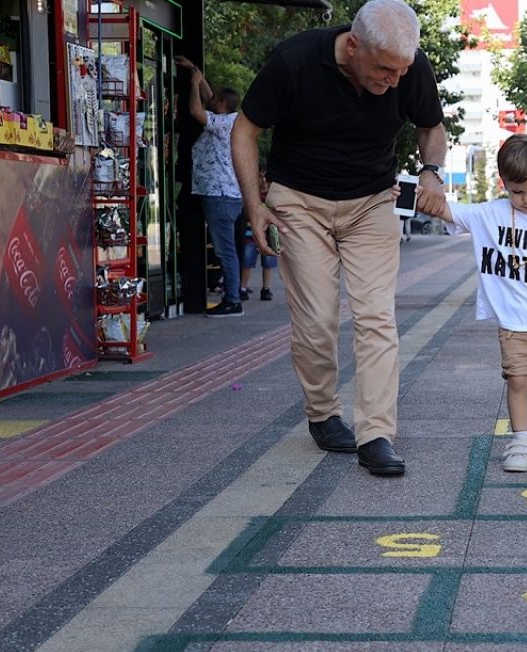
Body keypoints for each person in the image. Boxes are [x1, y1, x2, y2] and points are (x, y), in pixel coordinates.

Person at [231, 0, 448, 476]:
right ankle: (323, 412)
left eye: (401, 71)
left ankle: (376, 434)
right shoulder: (295, 61)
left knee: (376, 317)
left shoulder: (409, 65)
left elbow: (431, 127)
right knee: (317, 321)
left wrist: (431, 172)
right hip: (299, 203)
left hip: (371, 202)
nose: (393, 81)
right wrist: (255, 205)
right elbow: (245, 130)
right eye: (384, 70)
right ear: (354, 46)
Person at [418, 134, 527, 472]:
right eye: (518, 191)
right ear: (504, 183)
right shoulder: (489, 214)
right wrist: (413, 195)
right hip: (512, 323)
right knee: (518, 382)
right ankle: (521, 440)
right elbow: (444, 209)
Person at [176, 56, 244, 317]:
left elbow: (195, 110)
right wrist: (195, 71)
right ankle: (232, 296)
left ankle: (232, 300)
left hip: (220, 195)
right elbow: (209, 95)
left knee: (225, 250)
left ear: (222, 106)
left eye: (214, 100)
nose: (209, 99)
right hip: (221, 194)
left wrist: (193, 84)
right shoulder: (227, 118)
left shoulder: (223, 124)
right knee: (225, 248)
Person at [239, 168, 276, 301]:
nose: (263, 181)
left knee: (268, 261)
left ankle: (266, 288)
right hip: (251, 232)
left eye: (266, 178)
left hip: (269, 234)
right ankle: (242, 287)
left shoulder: (273, 196)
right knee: (247, 260)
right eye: (261, 178)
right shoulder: (253, 196)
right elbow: (246, 212)